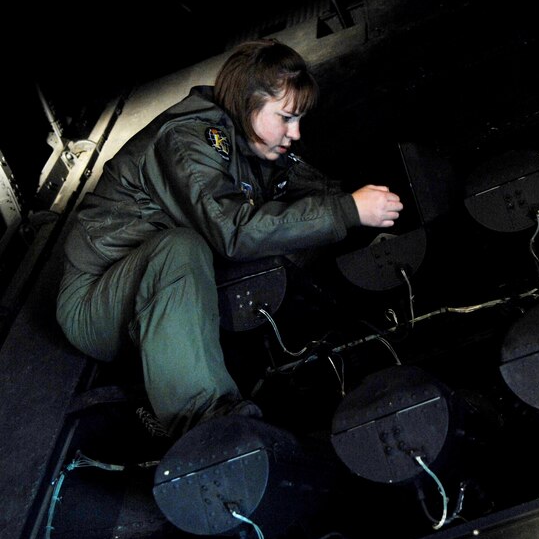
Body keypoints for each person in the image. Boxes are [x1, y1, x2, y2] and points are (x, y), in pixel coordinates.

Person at [56, 38, 403, 438]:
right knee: (184, 247)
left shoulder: (249, 144)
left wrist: (363, 219)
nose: (296, 132)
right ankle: (210, 427)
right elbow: (234, 230)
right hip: (97, 301)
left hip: (151, 290)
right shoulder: (188, 142)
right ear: (247, 103)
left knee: (284, 228)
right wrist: (348, 211)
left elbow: (308, 192)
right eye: (286, 118)